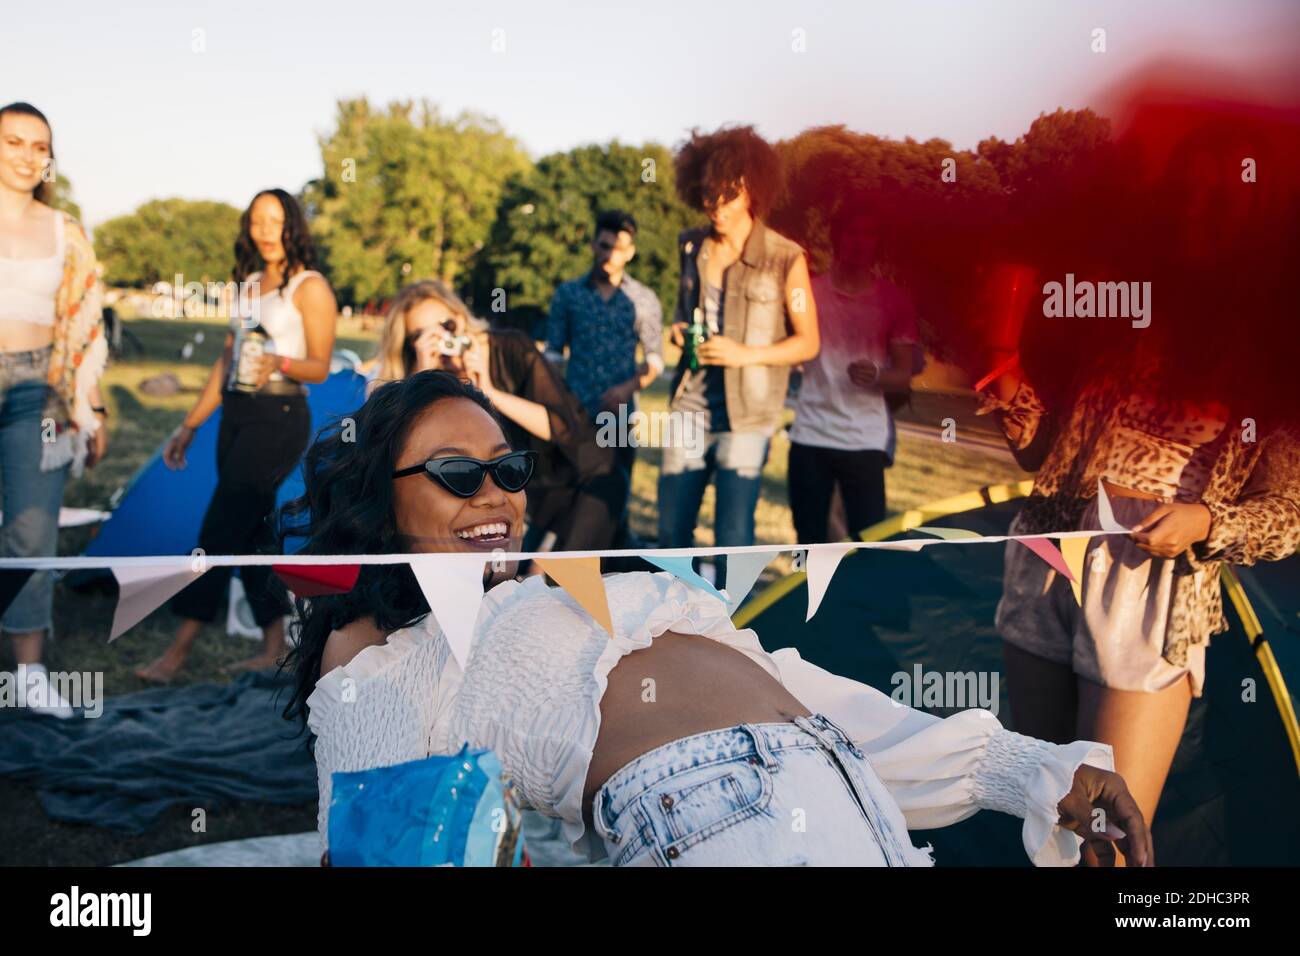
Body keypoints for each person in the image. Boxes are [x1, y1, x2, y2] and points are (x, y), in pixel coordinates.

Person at [280, 369, 1152, 867]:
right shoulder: (385, 651)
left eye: (507, 469)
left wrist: (1024, 770)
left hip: (850, 800)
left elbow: (806, 694)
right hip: (708, 815)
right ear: (378, 503)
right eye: (455, 474)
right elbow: (358, 840)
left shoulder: (555, 593)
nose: (498, 496)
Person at [975, 126, 1300, 863]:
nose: (1194, 214)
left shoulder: (1274, 349)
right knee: (1048, 819)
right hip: (1047, 559)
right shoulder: (1124, 313)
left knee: (1107, 842)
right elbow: (1048, 454)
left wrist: (1208, 520)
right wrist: (1013, 398)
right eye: (1184, 198)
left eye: (1216, 199)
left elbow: (1291, 513)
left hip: (1158, 595)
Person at [134, 189, 338, 682]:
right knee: (250, 531)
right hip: (237, 413)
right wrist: (189, 425)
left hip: (282, 413)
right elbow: (224, 363)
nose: (265, 230)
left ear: (293, 226)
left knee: (219, 528)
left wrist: (279, 361)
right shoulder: (247, 286)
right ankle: (274, 647)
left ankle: (178, 651)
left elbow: (322, 366)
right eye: (256, 221)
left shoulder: (309, 287)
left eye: (276, 220)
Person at [372, 279, 625, 553]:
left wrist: (489, 392)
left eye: (445, 326)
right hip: (533, 490)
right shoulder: (431, 383)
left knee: (562, 581)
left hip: (588, 473)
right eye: (420, 335)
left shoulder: (509, 347)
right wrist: (423, 375)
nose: (440, 340)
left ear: (460, 317)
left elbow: (564, 428)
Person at [659, 126, 819, 551]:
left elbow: (808, 342)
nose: (716, 205)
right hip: (690, 403)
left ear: (752, 190)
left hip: (748, 415)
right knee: (671, 531)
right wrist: (679, 331)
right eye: (709, 193)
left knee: (732, 537)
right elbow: (685, 309)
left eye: (728, 194)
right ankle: (673, 618)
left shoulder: (787, 258)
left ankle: (731, 618)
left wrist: (743, 353)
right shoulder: (690, 247)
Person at [0, 102, 109, 717]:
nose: (27, 156)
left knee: (33, 531)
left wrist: (90, 410)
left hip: (38, 393)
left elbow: (85, 326)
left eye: (39, 146)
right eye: (13, 142)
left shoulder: (64, 231)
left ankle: (27, 673)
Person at [788, 203, 923, 542]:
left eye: (869, 234)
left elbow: (903, 375)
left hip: (864, 440)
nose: (860, 242)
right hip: (811, 435)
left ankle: (860, 598)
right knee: (808, 544)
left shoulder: (894, 300)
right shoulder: (809, 293)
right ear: (837, 238)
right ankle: (813, 597)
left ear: (878, 243)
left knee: (868, 544)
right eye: (852, 233)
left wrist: (878, 374)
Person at [544, 209, 663, 504]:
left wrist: (625, 390)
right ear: (594, 245)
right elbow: (553, 356)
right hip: (575, 413)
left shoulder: (643, 299)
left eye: (619, 248)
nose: (610, 254)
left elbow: (655, 360)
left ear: (630, 252)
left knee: (612, 499)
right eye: (605, 245)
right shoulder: (568, 294)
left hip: (619, 419)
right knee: (569, 497)